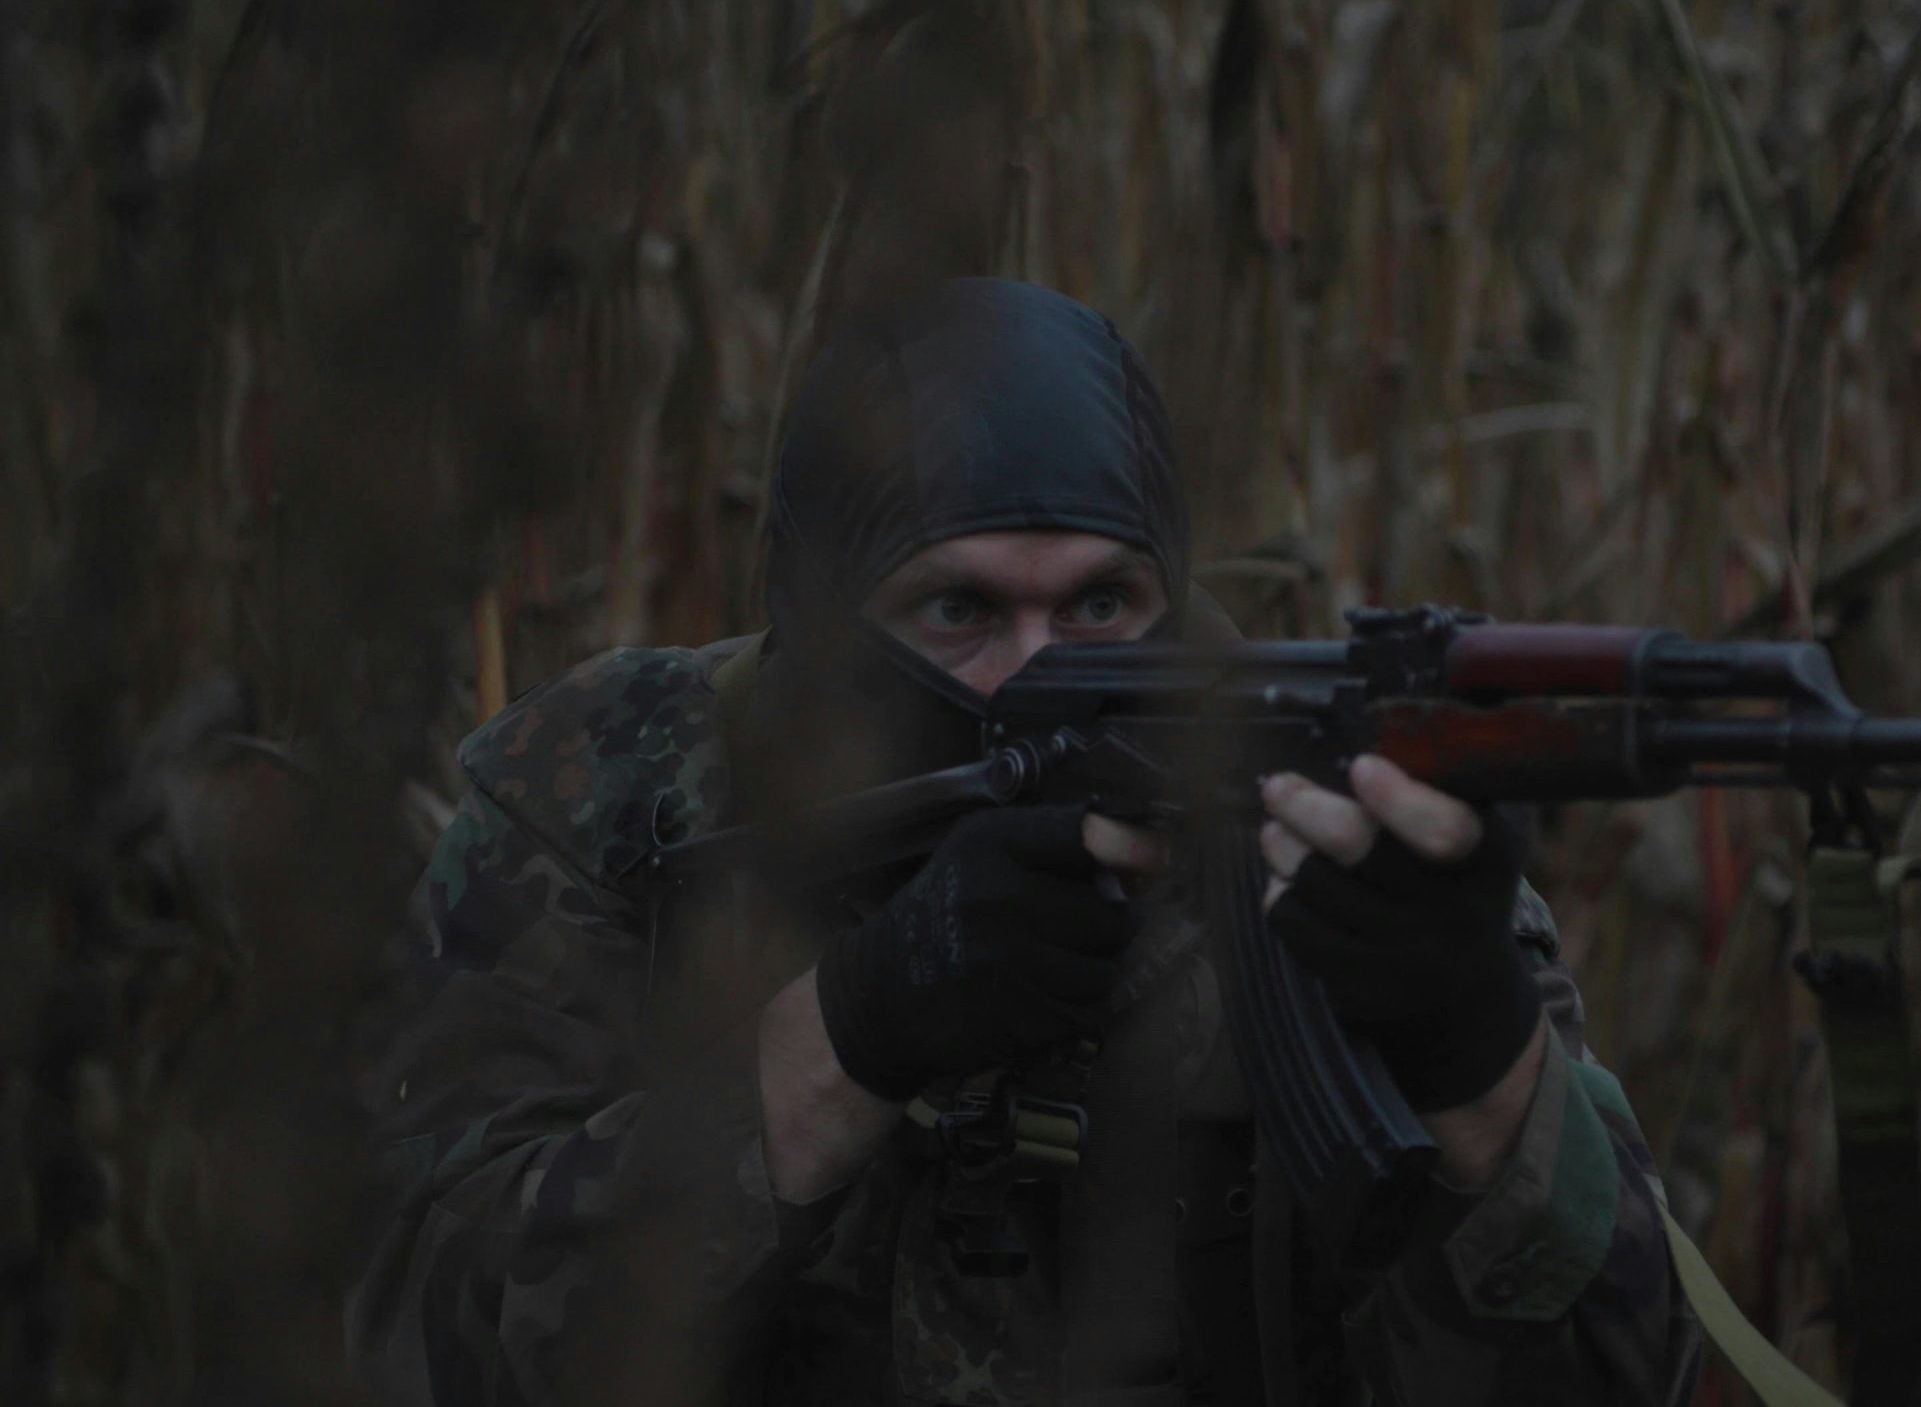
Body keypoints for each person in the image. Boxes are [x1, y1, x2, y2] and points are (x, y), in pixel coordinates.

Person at [351, 279, 1703, 1406]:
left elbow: (1623, 1376)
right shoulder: (613, 797)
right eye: (959, 611)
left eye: (1102, 605)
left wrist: (1481, 1065)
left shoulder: (1331, 832)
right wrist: (854, 1031)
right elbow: (411, 1339)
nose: (1037, 676)